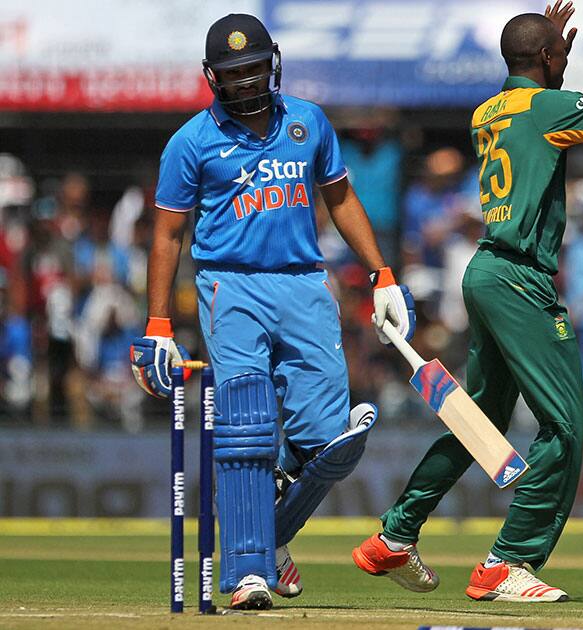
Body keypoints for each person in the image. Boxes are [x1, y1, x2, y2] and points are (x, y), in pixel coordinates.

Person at [352, 0, 583, 603]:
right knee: (566, 426)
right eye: (556, 52)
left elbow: (541, 122)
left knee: (484, 420)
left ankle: (397, 534)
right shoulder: (547, 106)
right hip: (521, 279)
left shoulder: (488, 110)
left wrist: (552, 59)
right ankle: (507, 562)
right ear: (548, 57)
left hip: (486, 270)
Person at [128, 14, 414, 611]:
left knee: (328, 440)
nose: (249, 79)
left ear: (274, 62)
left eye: (256, 66)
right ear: (214, 78)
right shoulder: (192, 141)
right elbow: (167, 234)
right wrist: (158, 323)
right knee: (244, 420)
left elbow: (339, 197)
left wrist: (381, 273)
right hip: (229, 287)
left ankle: (269, 530)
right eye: (235, 73)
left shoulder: (308, 121)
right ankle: (248, 571)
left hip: (305, 285)